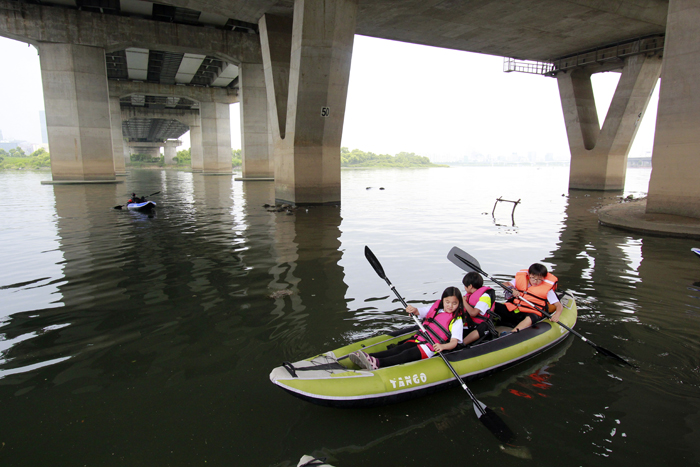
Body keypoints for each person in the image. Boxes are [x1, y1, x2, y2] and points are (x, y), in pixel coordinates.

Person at [348, 286, 466, 370]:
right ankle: (369, 357)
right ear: (443, 300)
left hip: (430, 348)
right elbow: (420, 311)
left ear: (459, 303)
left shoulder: (457, 320)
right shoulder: (436, 309)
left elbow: (454, 342)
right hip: (419, 339)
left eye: (454, 303)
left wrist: (442, 346)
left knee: (406, 354)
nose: (450, 306)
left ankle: (378, 363)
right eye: (447, 302)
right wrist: (413, 310)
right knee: (398, 349)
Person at [493, 263, 562, 334]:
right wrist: (512, 289)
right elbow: (505, 284)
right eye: (533, 278)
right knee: (493, 305)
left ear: (543, 278)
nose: (536, 281)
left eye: (539, 279)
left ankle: (512, 333)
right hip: (516, 309)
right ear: (529, 275)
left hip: (531, 313)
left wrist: (557, 315)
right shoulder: (521, 280)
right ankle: (485, 323)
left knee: (531, 317)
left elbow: (559, 305)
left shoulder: (548, 290)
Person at [461, 271, 498, 346]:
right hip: (469, 324)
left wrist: (463, 302)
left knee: (485, 326)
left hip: (479, 326)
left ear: (470, 286)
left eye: (465, 286)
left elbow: (473, 313)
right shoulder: (469, 295)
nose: (464, 288)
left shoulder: (485, 297)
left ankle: (462, 344)